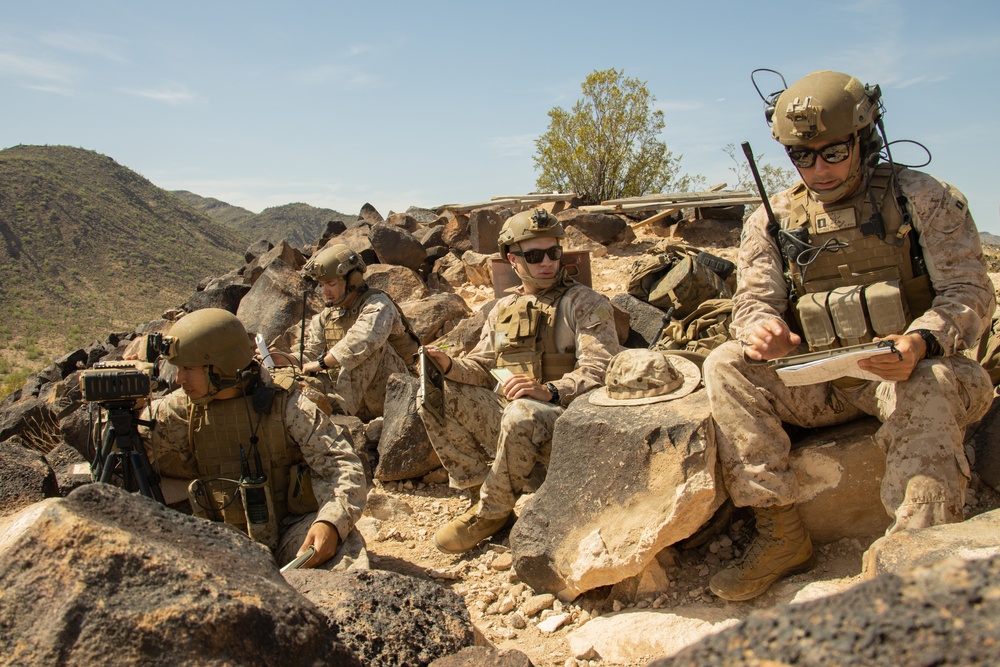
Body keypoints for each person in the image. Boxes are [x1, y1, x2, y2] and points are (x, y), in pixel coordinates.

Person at [703, 70, 996, 601]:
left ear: (864, 138)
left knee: (929, 381)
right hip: (824, 384)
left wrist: (920, 342)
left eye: (833, 153)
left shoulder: (919, 198)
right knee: (724, 364)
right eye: (802, 157)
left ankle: (918, 556)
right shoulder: (772, 220)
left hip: (914, 375)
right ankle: (781, 534)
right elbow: (752, 301)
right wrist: (762, 332)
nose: (819, 169)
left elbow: (970, 292)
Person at [419, 208, 620, 554]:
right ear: (513, 261)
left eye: (554, 252)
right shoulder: (502, 309)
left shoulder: (585, 303)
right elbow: (483, 366)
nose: (547, 262)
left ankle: (490, 512)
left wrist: (551, 390)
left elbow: (602, 370)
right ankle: (481, 492)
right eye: (535, 255)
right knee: (434, 393)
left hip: (566, 426)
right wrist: (448, 364)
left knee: (523, 411)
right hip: (515, 424)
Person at [137, 308, 368, 570]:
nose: (180, 379)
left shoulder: (288, 405)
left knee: (341, 556)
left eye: (189, 368)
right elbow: (125, 456)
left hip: (288, 529)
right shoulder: (181, 409)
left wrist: (330, 522)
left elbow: (342, 465)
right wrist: (128, 409)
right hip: (217, 537)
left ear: (221, 367)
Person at [298, 244, 417, 420]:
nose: (325, 292)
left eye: (331, 284)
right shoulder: (326, 316)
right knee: (301, 379)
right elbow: (311, 353)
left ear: (352, 280)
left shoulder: (378, 304)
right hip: (357, 401)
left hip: (395, 396)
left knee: (366, 350)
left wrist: (322, 364)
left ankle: (338, 414)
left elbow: (363, 340)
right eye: (321, 285)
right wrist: (287, 359)